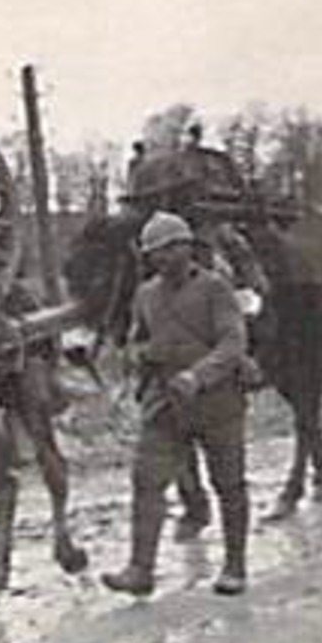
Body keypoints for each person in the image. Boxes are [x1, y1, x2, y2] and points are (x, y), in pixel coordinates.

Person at [104, 211, 252, 597]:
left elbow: (233, 343)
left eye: (166, 251)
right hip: (165, 404)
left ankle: (235, 565)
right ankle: (141, 569)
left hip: (217, 402)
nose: (160, 260)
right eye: (153, 255)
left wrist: (198, 375)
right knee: (146, 481)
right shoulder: (146, 295)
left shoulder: (215, 289)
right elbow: (135, 340)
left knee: (229, 484)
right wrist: (140, 355)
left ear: (185, 248)